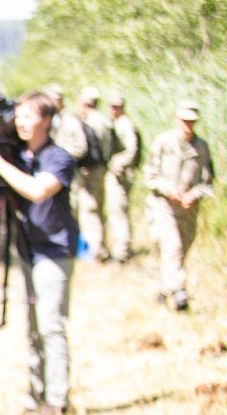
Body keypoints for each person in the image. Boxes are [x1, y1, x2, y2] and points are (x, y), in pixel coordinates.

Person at [0, 91, 80, 415]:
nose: (21, 123)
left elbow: (37, 191)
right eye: (19, 116)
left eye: (29, 116)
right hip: (27, 249)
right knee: (33, 328)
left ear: (46, 119)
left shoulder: (58, 158)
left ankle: (57, 400)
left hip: (54, 251)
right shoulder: (18, 158)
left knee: (50, 326)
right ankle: (36, 395)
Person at [145, 100, 214, 312]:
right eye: (184, 121)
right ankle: (179, 293)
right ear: (177, 119)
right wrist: (168, 190)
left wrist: (193, 194)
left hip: (188, 210)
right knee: (172, 248)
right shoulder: (164, 142)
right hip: (163, 207)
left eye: (191, 121)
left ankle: (162, 288)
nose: (188, 125)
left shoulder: (201, 147)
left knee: (180, 251)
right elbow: (150, 176)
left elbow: (208, 182)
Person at [74, 88, 115, 261]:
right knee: (98, 208)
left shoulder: (89, 122)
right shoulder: (106, 121)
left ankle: (96, 250)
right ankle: (99, 247)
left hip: (89, 171)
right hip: (102, 169)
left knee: (89, 210)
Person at [104, 90, 142, 264]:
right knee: (115, 211)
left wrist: (116, 164)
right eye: (112, 106)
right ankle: (120, 248)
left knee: (118, 211)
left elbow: (132, 151)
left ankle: (122, 252)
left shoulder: (125, 124)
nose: (114, 110)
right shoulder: (116, 123)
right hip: (118, 175)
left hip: (121, 176)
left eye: (117, 107)